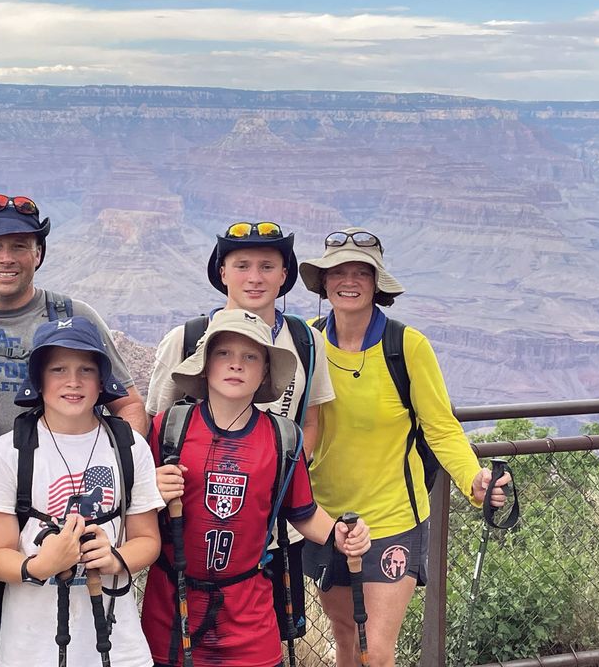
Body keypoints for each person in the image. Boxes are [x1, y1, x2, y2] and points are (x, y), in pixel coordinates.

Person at [297, 228, 512, 667]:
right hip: (326, 518)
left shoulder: (406, 346)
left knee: (374, 650)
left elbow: (441, 427)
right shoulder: (308, 344)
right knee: (343, 639)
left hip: (394, 517)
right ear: (323, 281)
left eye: (362, 271)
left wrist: (474, 478)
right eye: (338, 271)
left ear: (377, 283)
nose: (349, 280)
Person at [141, 309, 371, 667]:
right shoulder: (169, 427)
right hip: (171, 610)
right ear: (204, 365)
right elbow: (135, 512)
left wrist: (340, 535)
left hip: (248, 614)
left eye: (250, 357)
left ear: (265, 371)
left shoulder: (282, 438)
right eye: (224, 354)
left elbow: (302, 511)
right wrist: (151, 490)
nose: (236, 365)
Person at [144, 221, 336, 640]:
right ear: (222, 273)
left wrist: (278, 487)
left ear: (284, 276)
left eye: (268, 266)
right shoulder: (188, 338)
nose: (255, 277)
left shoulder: (305, 341)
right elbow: (154, 426)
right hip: (190, 531)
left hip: (277, 536)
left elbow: (311, 421)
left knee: (260, 640)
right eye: (242, 265)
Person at [0, 316, 163, 667]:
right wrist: (41, 565)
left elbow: (147, 538)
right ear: (39, 380)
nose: (73, 382)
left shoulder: (128, 446)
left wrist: (115, 559)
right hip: (31, 648)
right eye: (58, 370)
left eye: (87, 370)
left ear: (103, 380)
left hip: (117, 646)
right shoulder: (9, 451)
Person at [0, 193, 146, 436]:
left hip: (54, 473)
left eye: (19, 246)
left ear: (37, 254)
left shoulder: (75, 317)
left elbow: (128, 404)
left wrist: (123, 464)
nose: (6, 259)